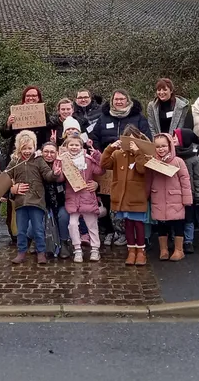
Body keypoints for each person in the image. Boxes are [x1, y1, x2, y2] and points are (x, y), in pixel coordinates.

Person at [89, 90, 151, 247]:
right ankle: (115, 231)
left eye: (122, 99)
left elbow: (146, 139)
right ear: (112, 101)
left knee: (129, 198)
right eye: (116, 99)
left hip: (133, 163)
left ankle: (133, 238)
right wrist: (105, 152)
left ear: (127, 100)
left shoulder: (138, 117)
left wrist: (137, 153)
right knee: (110, 199)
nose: (119, 101)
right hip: (112, 162)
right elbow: (95, 137)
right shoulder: (104, 117)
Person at [101, 126, 151, 266]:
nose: (130, 143)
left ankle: (141, 251)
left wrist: (137, 152)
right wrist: (110, 148)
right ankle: (131, 251)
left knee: (138, 224)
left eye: (134, 140)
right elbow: (104, 163)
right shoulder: (118, 154)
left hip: (136, 196)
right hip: (123, 196)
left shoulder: (143, 154)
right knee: (128, 223)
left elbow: (142, 169)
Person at [7, 131, 57, 265]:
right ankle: (21, 252)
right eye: (24, 148)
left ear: (34, 147)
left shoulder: (38, 160)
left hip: (36, 200)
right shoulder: (14, 161)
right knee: (21, 230)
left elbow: (47, 174)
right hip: (21, 201)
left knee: (38, 229)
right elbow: (5, 177)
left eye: (30, 148)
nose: (27, 151)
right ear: (19, 148)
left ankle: (41, 252)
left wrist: (54, 173)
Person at [53, 133, 104, 263]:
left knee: (92, 225)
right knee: (72, 225)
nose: (74, 147)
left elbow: (100, 170)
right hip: (73, 198)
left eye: (77, 145)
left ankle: (95, 249)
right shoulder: (64, 160)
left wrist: (96, 154)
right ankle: (77, 249)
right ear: (67, 146)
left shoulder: (88, 159)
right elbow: (60, 179)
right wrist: (57, 170)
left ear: (81, 147)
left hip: (87, 197)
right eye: (71, 145)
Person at [147, 132, 192, 261]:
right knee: (161, 225)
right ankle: (163, 249)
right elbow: (148, 180)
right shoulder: (152, 162)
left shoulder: (178, 161)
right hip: (158, 198)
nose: (161, 149)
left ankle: (179, 250)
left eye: (164, 146)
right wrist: (146, 195)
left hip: (175, 199)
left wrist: (187, 199)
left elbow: (185, 181)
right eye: (157, 146)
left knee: (178, 224)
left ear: (170, 146)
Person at [174, 128, 199, 255]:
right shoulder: (172, 157)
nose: (173, 139)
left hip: (190, 194)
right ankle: (177, 239)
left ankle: (188, 241)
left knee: (189, 218)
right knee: (176, 218)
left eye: (176, 137)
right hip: (175, 194)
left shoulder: (194, 160)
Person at [0, 86, 50, 155]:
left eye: (34, 96)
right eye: (28, 96)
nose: (31, 98)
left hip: (37, 152)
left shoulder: (44, 113)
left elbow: (47, 131)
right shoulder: (16, 112)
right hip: (18, 152)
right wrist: (8, 124)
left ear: (38, 98)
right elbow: (5, 135)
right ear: (24, 98)